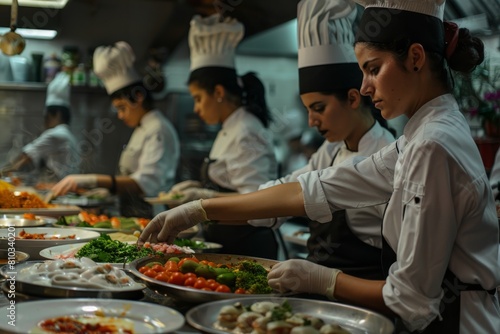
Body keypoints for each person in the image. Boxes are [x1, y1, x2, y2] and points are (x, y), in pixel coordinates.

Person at [139, 0, 500, 332]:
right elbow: (314, 187)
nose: (365, 88)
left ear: (416, 57)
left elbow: (411, 299)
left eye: (373, 69)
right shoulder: (424, 135)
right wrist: (198, 209)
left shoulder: (432, 144)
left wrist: (324, 280)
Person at [248, 0, 396, 280]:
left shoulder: (385, 156)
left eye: (318, 108)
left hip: (364, 309)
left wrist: (202, 208)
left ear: (353, 98)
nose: (311, 122)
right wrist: (205, 205)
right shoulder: (329, 151)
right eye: (307, 110)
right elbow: (282, 194)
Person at [164, 14, 279, 259]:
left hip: (247, 248)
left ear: (218, 92)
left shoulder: (247, 130)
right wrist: (198, 189)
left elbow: (259, 205)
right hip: (226, 242)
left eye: (198, 98)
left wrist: (203, 199)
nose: (196, 108)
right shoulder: (230, 126)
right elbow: (229, 184)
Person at [52, 41, 180, 218]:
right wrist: (108, 191)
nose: (120, 115)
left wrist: (94, 180)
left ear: (138, 97)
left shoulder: (158, 129)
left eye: (122, 107)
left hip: (152, 216)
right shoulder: (142, 127)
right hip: (133, 214)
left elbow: (146, 183)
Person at [0, 72, 80, 183]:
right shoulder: (68, 134)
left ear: (57, 114)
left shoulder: (57, 133)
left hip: (60, 187)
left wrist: (5, 171)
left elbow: (26, 155)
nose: (45, 122)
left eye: (47, 117)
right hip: (67, 185)